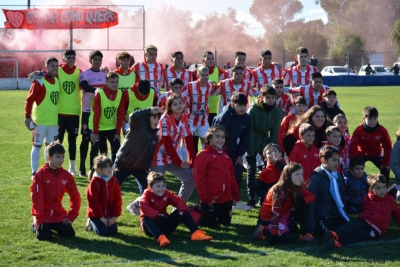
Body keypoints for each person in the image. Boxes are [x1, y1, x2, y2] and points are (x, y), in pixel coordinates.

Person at [324, 174, 400, 249]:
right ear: (371, 189)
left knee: (359, 237)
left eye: (384, 187)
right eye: (378, 188)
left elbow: (398, 215)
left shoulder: (390, 201)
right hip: (364, 220)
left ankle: (337, 243)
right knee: (351, 227)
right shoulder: (366, 199)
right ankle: (334, 234)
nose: (382, 190)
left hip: (376, 228)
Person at [140, 171, 212, 247]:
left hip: (164, 222)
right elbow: (143, 206)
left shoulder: (167, 193)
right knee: (146, 217)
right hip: (150, 228)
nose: (161, 189)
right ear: (150, 187)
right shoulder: (147, 194)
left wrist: (181, 211)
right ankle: (161, 238)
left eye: (163, 185)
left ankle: (196, 233)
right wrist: (157, 215)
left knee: (183, 210)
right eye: (158, 186)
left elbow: (179, 201)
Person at [114, 107, 161, 215]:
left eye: (158, 118)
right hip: (123, 164)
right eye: (154, 118)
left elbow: (150, 155)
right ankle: (98, 214)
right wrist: (149, 110)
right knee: (110, 188)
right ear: (148, 118)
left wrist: (147, 168)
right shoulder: (138, 126)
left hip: (139, 168)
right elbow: (132, 116)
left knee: (148, 191)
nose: (156, 121)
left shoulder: (155, 136)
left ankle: (140, 211)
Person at [253, 163, 315, 244]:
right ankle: (263, 230)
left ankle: (304, 234)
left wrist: (302, 201)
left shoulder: (297, 186)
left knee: (305, 205)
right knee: (288, 241)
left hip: (284, 215)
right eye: (297, 174)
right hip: (270, 218)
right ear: (288, 176)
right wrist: (274, 234)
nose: (301, 177)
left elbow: (311, 196)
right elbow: (274, 214)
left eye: (301, 174)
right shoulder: (279, 190)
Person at [30, 142, 81, 240]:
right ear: (49, 157)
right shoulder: (40, 175)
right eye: (57, 157)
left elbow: (75, 196)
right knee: (44, 236)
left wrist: (71, 215)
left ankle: (52, 226)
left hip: (58, 214)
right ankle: (35, 225)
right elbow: (37, 199)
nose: (61, 160)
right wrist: (39, 218)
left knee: (69, 234)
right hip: (44, 215)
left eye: (62, 157)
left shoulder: (66, 175)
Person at [151, 94, 196, 202]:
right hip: (159, 158)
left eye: (181, 103)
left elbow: (189, 141)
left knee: (190, 178)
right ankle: (136, 205)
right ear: (169, 106)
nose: (179, 106)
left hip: (173, 158)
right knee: (156, 186)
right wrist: (179, 162)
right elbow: (167, 143)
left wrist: (193, 163)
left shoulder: (184, 117)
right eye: (175, 104)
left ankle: (179, 207)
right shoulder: (164, 119)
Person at [194, 126, 240, 228]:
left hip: (226, 198)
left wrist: (235, 195)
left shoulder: (225, 156)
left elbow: (231, 176)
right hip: (211, 199)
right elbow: (199, 179)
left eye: (223, 137)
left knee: (226, 223)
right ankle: (194, 211)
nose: (221, 139)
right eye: (217, 137)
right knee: (210, 225)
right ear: (210, 138)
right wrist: (206, 198)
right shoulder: (203, 156)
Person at [212, 92, 252, 211]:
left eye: (245, 105)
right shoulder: (224, 117)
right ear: (233, 104)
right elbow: (218, 139)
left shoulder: (247, 118)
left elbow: (246, 138)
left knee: (238, 172)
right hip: (220, 148)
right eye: (240, 105)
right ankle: (217, 200)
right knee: (221, 175)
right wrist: (223, 155)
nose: (243, 108)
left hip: (235, 147)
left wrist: (239, 155)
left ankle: (236, 201)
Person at [24, 57, 60, 178]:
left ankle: (48, 170)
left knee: (50, 147)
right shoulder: (39, 81)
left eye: (56, 66)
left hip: (53, 121)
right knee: (37, 146)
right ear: (46, 68)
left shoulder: (57, 80)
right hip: (39, 121)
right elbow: (29, 101)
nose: (55, 68)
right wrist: (27, 117)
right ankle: (34, 172)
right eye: (52, 66)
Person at [246, 85, 281, 207]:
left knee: (268, 169)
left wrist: (272, 148)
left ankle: (264, 195)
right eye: (268, 97)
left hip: (265, 139)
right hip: (253, 138)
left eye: (273, 97)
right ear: (262, 97)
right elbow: (249, 130)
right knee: (252, 168)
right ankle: (251, 196)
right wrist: (250, 147)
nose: (271, 100)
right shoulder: (253, 110)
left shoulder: (277, 111)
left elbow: (275, 131)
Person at [307, 146, 349, 236]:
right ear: (324, 160)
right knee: (332, 233)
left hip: (336, 213)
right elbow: (311, 201)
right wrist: (310, 224)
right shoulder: (316, 177)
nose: (337, 163)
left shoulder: (337, 176)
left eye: (338, 160)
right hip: (322, 215)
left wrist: (343, 212)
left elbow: (342, 197)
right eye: (333, 160)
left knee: (346, 231)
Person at [79, 50, 107, 176]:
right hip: (87, 112)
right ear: (90, 60)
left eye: (99, 60)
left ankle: (96, 168)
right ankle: (82, 167)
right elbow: (84, 86)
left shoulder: (105, 74)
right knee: (86, 140)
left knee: (100, 141)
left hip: (101, 113)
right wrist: (97, 90)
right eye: (95, 59)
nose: (97, 62)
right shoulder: (85, 74)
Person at [89, 72, 125, 170]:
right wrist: (95, 132)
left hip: (111, 127)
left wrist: (118, 132)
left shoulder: (121, 94)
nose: (115, 84)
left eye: (116, 82)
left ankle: (114, 170)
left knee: (117, 148)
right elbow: (96, 115)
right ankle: (93, 171)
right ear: (106, 82)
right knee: (96, 149)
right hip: (97, 126)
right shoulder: (99, 94)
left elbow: (120, 114)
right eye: (112, 82)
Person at [349, 106, 392, 186]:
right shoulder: (359, 130)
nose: (372, 121)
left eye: (375, 119)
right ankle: (355, 185)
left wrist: (386, 163)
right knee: (355, 168)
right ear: (364, 118)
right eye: (369, 119)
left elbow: (388, 147)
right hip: (361, 153)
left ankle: (384, 187)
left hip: (376, 154)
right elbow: (353, 146)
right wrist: (353, 160)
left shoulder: (382, 130)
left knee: (386, 169)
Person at [182, 65, 220, 154]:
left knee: (206, 140)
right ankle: (183, 161)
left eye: (207, 75)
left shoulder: (210, 84)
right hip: (190, 120)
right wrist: (185, 107)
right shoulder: (190, 86)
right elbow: (181, 96)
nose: (205, 77)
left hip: (203, 120)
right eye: (203, 75)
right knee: (185, 141)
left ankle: (204, 158)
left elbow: (218, 90)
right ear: (198, 75)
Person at [57, 49, 81, 176]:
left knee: (72, 140)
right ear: (64, 58)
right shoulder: (58, 71)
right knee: (57, 141)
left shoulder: (78, 72)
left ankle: (72, 168)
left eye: (73, 58)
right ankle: (56, 167)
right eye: (69, 58)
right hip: (59, 113)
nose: (71, 60)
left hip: (74, 114)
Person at [86, 155, 122, 236]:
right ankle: (91, 221)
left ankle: (105, 222)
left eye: (111, 166)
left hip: (109, 215)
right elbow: (93, 203)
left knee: (113, 232)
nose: (110, 169)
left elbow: (118, 200)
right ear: (98, 169)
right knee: (103, 233)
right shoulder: (94, 183)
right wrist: (101, 217)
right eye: (107, 167)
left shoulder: (114, 181)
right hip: (96, 215)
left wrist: (114, 217)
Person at [193, 51, 227, 125]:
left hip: (215, 108)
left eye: (212, 58)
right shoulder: (196, 72)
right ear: (203, 60)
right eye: (208, 58)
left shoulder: (218, 70)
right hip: (200, 108)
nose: (211, 61)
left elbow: (227, 81)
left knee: (213, 132)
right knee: (197, 133)